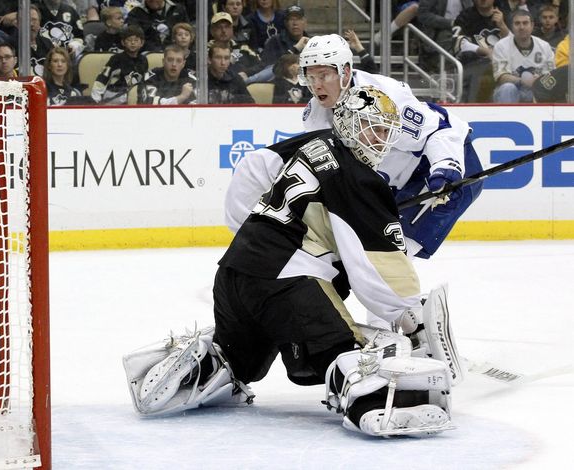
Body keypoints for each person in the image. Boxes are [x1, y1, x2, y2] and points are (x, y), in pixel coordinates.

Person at [123, 86, 460, 438]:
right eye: (371, 128)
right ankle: (374, 399)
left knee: (244, 363)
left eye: (385, 131)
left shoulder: (312, 142)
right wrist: (409, 317)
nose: (380, 140)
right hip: (288, 285)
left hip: (234, 272)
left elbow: (255, 166)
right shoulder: (361, 177)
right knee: (343, 353)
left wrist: (256, 233)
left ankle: (207, 365)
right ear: (347, 122)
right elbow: (376, 266)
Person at [227, 33, 483, 263]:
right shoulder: (316, 116)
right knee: (372, 248)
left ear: (345, 72)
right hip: (396, 179)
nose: (316, 85)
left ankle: (401, 311)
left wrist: (445, 168)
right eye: (311, 76)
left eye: (324, 75)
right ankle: (395, 311)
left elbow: (439, 129)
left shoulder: (383, 96)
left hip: (446, 169)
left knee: (393, 252)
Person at [452, 0, 510, 102]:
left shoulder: (504, 15)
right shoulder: (465, 16)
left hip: (504, 67)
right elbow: (458, 42)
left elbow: (516, 44)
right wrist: (486, 51)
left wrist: (503, 26)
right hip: (474, 65)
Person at [492, 9, 554, 103]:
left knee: (547, 91)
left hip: (536, 91)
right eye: (517, 23)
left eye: (525, 23)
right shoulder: (501, 46)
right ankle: (508, 117)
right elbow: (501, 77)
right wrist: (523, 81)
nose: (521, 27)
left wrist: (539, 81)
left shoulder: (544, 46)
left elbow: (551, 75)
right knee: (508, 88)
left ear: (532, 25)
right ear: (512, 27)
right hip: (511, 92)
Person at [91, 24, 148, 104]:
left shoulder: (143, 60)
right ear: (123, 42)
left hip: (135, 95)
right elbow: (103, 78)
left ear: (142, 43)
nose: (132, 43)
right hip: (115, 95)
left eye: (136, 40)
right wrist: (95, 100)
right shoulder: (116, 59)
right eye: (129, 40)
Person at [417, 0, 472, 71]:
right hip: (440, 30)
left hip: (464, 28)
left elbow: (474, 13)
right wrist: (451, 23)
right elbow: (423, 15)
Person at [209, 11, 262, 80]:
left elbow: (261, 65)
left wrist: (247, 73)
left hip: (246, 84)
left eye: (227, 27)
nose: (224, 30)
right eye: (219, 27)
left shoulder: (244, 48)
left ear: (232, 29)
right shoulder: (205, 51)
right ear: (212, 31)